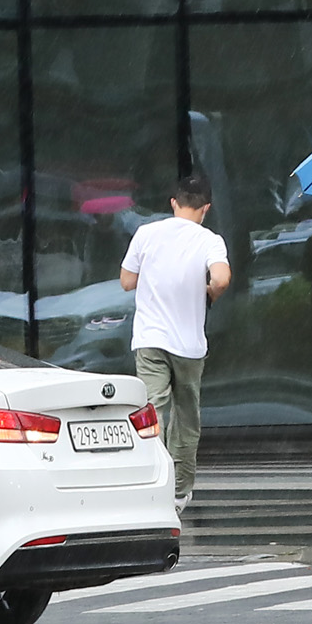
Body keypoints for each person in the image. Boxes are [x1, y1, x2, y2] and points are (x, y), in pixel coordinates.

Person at [120, 173, 231, 508]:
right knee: (185, 419)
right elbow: (221, 278)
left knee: (150, 412)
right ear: (206, 208)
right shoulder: (210, 240)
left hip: (150, 339)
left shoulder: (146, 233)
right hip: (189, 346)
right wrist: (209, 292)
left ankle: (148, 482)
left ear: (173, 203)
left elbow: (127, 281)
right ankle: (179, 491)